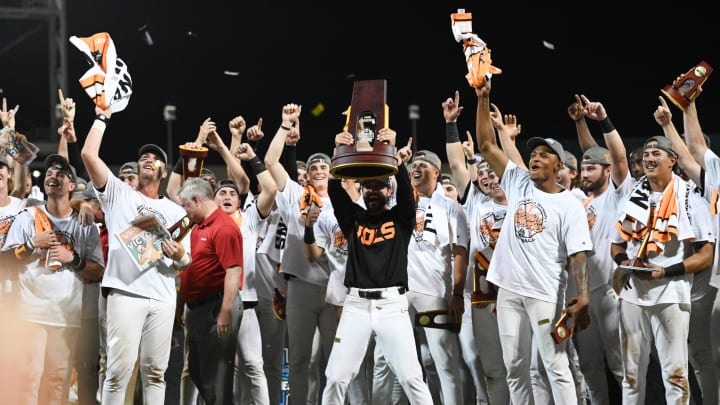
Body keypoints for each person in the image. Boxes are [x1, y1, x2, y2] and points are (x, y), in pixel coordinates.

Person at [474, 79, 593, 404]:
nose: (536, 158)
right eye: (534, 154)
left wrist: (582, 295)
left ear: (559, 165)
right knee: (515, 366)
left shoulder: (569, 203)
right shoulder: (518, 182)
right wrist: (483, 98)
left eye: (544, 155)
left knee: (554, 364)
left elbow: (579, 254)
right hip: (509, 289)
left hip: (544, 292)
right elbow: (486, 145)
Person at [81, 108, 189, 404]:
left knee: (156, 373)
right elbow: (89, 155)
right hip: (125, 292)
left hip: (163, 296)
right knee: (118, 371)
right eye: (144, 156)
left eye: (155, 158)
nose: (148, 159)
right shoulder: (119, 193)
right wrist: (102, 118)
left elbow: (185, 261)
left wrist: (179, 254)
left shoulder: (177, 212)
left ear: (164, 172)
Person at [322, 133, 433, 404]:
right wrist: (339, 147)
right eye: (368, 187)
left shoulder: (402, 219)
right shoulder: (353, 219)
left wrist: (392, 151)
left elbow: (407, 194)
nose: (373, 191)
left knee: (410, 377)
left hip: (393, 305)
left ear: (388, 191)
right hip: (355, 305)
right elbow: (335, 190)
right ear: (362, 191)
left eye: (379, 187)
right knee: (336, 377)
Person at [610, 135, 714, 404]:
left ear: (672, 160)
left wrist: (665, 272)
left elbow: (705, 255)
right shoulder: (633, 193)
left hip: (670, 294)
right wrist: (625, 263)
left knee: (676, 375)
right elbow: (617, 245)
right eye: (646, 153)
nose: (649, 157)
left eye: (657, 153)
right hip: (633, 293)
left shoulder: (691, 197)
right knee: (630, 376)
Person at [2, 154, 104, 405]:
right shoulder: (27, 217)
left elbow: (98, 271)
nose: (52, 176)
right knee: (27, 380)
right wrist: (30, 244)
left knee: (58, 382)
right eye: (49, 173)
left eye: (61, 174)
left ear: (72, 186)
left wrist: (74, 259)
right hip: (29, 313)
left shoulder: (85, 224)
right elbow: (4, 261)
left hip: (66, 316)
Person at [264, 103, 338, 403]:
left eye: (325, 166)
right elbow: (270, 160)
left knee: (334, 363)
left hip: (335, 288)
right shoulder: (294, 194)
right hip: (301, 287)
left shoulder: (344, 200)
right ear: (307, 176)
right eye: (314, 167)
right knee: (299, 360)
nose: (319, 170)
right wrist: (285, 125)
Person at [652, 93, 720, 404]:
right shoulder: (712, 182)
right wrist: (686, 106)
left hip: (706, 277)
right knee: (705, 353)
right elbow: (694, 150)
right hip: (707, 280)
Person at [567, 94, 633, 405]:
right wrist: (579, 122)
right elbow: (590, 155)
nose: (585, 172)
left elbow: (616, 158)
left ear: (607, 172)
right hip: (583, 294)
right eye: (583, 168)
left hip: (610, 290)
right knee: (590, 366)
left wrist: (602, 122)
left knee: (621, 365)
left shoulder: (618, 194)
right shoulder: (579, 200)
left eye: (592, 168)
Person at [175, 177, 243, 404]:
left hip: (217, 305)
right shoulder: (198, 227)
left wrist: (225, 311)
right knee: (196, 369)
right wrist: (180, 307)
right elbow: (190, 270)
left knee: (219, 377)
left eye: (185, 205)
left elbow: (233, 270)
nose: (185, 211)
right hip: (197, 308)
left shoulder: (224, 228)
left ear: (196, 199)